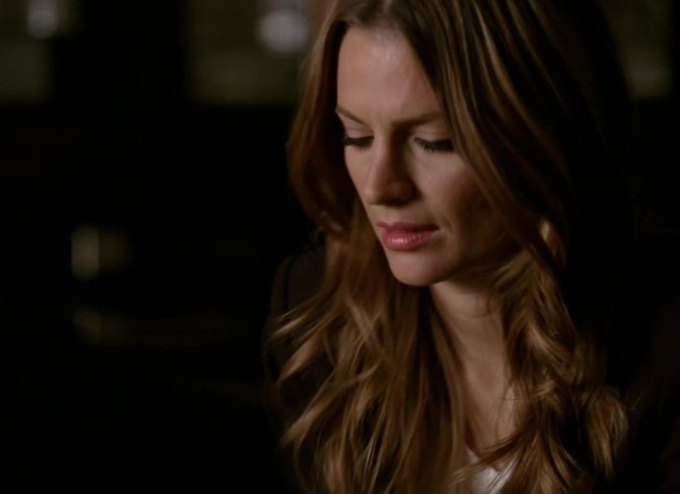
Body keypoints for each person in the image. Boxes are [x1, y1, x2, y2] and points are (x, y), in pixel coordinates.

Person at [261, 0, 680, 492]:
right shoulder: (314, 315)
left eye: (435, 142)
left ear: (545, 134)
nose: (379, 187)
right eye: (357, 137)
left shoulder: (664, 342)